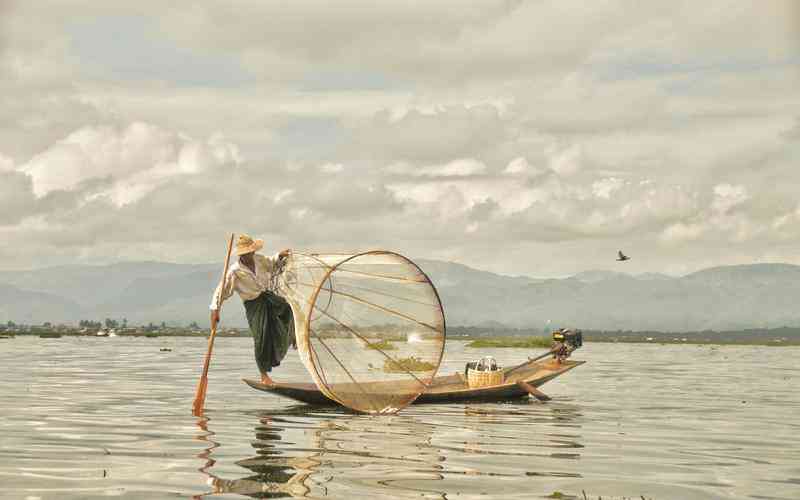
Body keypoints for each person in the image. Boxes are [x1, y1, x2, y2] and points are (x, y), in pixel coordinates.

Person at [210, 234, 294, 386]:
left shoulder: (259, 259)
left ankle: (293, 337)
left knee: (287, 309)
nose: (250, 255)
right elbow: (221, 291)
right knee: (260, 338)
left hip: (267, 297)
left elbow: (271, 263)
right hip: (254, 305)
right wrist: (216, 309)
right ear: (241, 255)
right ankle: (264, 376)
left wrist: (279, 256)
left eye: (251, 252)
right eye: (246, 254)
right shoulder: (235, 271)